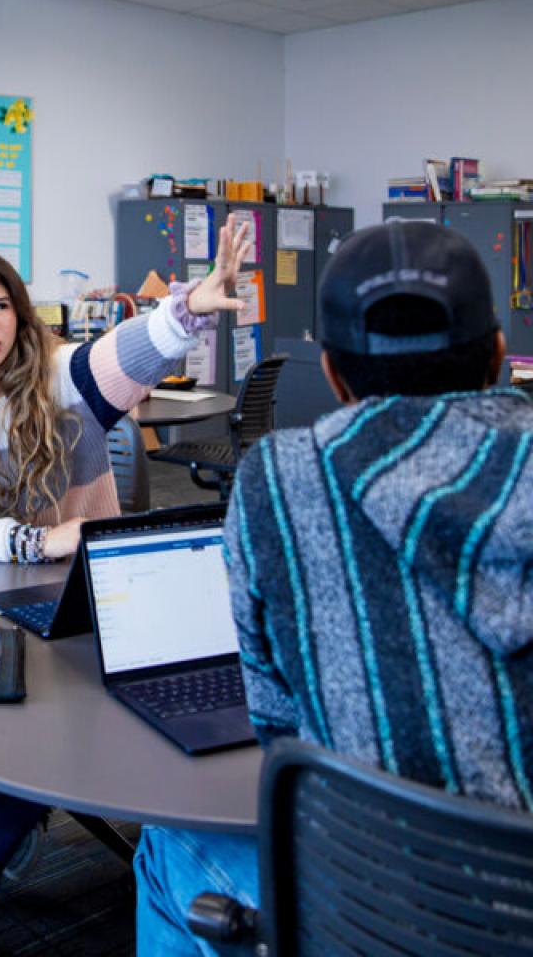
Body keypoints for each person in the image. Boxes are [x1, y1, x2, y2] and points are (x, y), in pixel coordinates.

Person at [135, 219, 533, 955]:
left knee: (165, 843)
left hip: (374, 906)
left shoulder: (276, 483)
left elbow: (278, 723)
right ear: (499, 356)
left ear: (333, 375)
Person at [0, 220, 250, 894]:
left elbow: (127, 353)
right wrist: (32, 540)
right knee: (6, 696)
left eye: (1, 305)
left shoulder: (61, 377)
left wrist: (184, 313)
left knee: (96, 684)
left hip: (83, 583)